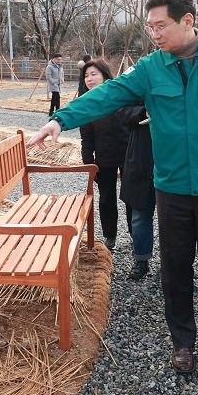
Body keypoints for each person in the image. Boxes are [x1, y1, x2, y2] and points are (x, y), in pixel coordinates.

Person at [27, 0, 198, 378]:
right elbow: (108, 93)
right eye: (149, 26)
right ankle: (183, 342)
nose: (153, 33)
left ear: (187, 21)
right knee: (174, 266)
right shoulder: (150, 67)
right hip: (170, 185)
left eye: (161, 25)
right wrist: (60, 120)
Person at [78, 59, 131, 251]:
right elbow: (86, 138)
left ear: (105, 75)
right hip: (104, 156)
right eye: (86, 76)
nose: (89, 79)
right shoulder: (86, 103)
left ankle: (135, 235)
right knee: (106, 198)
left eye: (94, 74)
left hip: (128, 154)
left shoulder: (120, 96)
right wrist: (89, 164)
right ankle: (110, 236)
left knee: (131, 196)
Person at [115, 96, 156, 280]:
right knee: (140, 215)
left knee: (174, 219)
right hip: (140, 156)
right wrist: (143, 113)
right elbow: (121, 111)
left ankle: (174, 263)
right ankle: (141, 260)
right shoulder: (137, 79)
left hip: (173, 159)